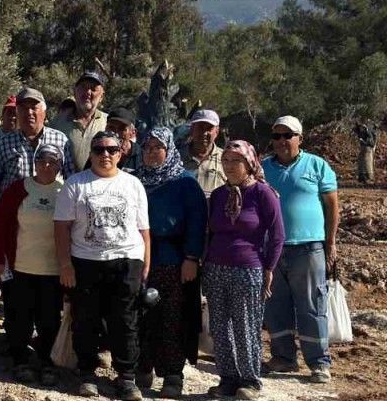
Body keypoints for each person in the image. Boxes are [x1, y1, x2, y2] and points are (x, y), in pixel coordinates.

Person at [54, 130, 150, 401]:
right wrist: (65, 265)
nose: (105, 154)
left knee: (126, 320)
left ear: (120, 153)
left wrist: (145, 264)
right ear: (91, 154)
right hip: (86, 260)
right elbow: (61, 227)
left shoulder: (133, 184)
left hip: (127, 259)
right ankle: (87, 373)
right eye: (99, 150)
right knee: (85, 319)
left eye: (111, 149)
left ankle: (126, 377)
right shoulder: (75, 184)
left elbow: (143, 229)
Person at [204, 140, 285, 400]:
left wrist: (269, 268)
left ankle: (250, 380)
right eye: (225, 160)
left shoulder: (263, 193)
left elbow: (277, 235)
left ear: (249, 163)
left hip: (248, 269)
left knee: (246, 326)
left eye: (236, 161)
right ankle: (228, 379)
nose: (229, 166)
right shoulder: (219, 195)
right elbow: (210, 232)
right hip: (216, 268)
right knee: (220, 327)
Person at [261, 115, 338, 384]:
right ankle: (283, 357)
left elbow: (332, 206)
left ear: (300, 139)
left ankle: (319, 362)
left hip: (308, 248)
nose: (282, 141)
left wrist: (330, 243)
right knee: (275, 305)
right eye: (277, 136)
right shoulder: (262, 168)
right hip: (272, 249)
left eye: (288, 135)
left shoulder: (317, 165)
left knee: (312, 305)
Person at [132, 127, 207, 398]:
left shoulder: (185, 182)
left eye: (158, 147)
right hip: (138, 258)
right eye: (148, 147)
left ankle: (172, 374)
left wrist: (191, 257)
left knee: (172, 317)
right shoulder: (134, 180)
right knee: (140, 316)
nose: (152, 152)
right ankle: (142, 367)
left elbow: (198, 222)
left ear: (169, 150)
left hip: (174, 260)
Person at [0, 144, 66, 386]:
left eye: (53, 161)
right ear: (34, 162)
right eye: (42, 160)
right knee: (19, 316)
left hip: (53, 268)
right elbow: (1, 224)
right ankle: (20, 360)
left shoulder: (66, 191)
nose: (46, 166)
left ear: (60, 165)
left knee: (49, 319)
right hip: (21, 265)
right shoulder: (18, 189)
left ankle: (46, 361)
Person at [0, 88, 70, 204]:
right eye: (24, 108)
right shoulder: (4, 143)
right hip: (13, 210)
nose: (29, 112)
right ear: (17, 112)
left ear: (44, 112)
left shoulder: (61, 140)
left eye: (34, 107)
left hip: (51, 209)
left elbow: (70, 179)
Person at [51, 71, 110, 173]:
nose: (88, 92)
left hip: (99, 181)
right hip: (66, 182)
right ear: (75, 92)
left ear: (102, 96)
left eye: (93, 89)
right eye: (83, 87)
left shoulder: (108, 122)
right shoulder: (57, 123)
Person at [184, 110, 226, 197]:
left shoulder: (226, 159)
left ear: (217, 132)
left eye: (209, 128)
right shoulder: (175, 158)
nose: (204, 133)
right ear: (192, 130)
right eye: (200, 128)